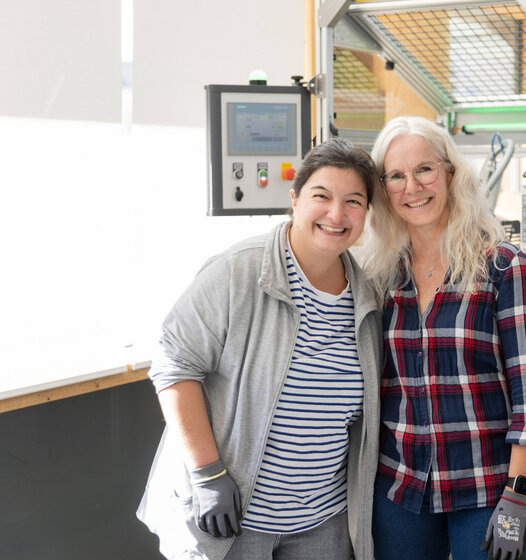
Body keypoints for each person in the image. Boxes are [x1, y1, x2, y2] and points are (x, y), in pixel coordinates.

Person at [137, 138, 382, 560]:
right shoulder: (239, 270)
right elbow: (173, 365)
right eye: (321, 196)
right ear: (295, 199)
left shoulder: (368, 298)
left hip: (322, 525)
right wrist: (207, 473)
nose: (336, 214)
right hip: (233, 523)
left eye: (354, 201)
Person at [361, 116, 526, 560]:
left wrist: (518, 495)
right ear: (383, 188)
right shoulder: (382, 275)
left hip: (488, 490)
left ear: (450, 172)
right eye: (396, 175)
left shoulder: (506, 270)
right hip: (401, 489)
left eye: (424, 169)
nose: (412, 186)